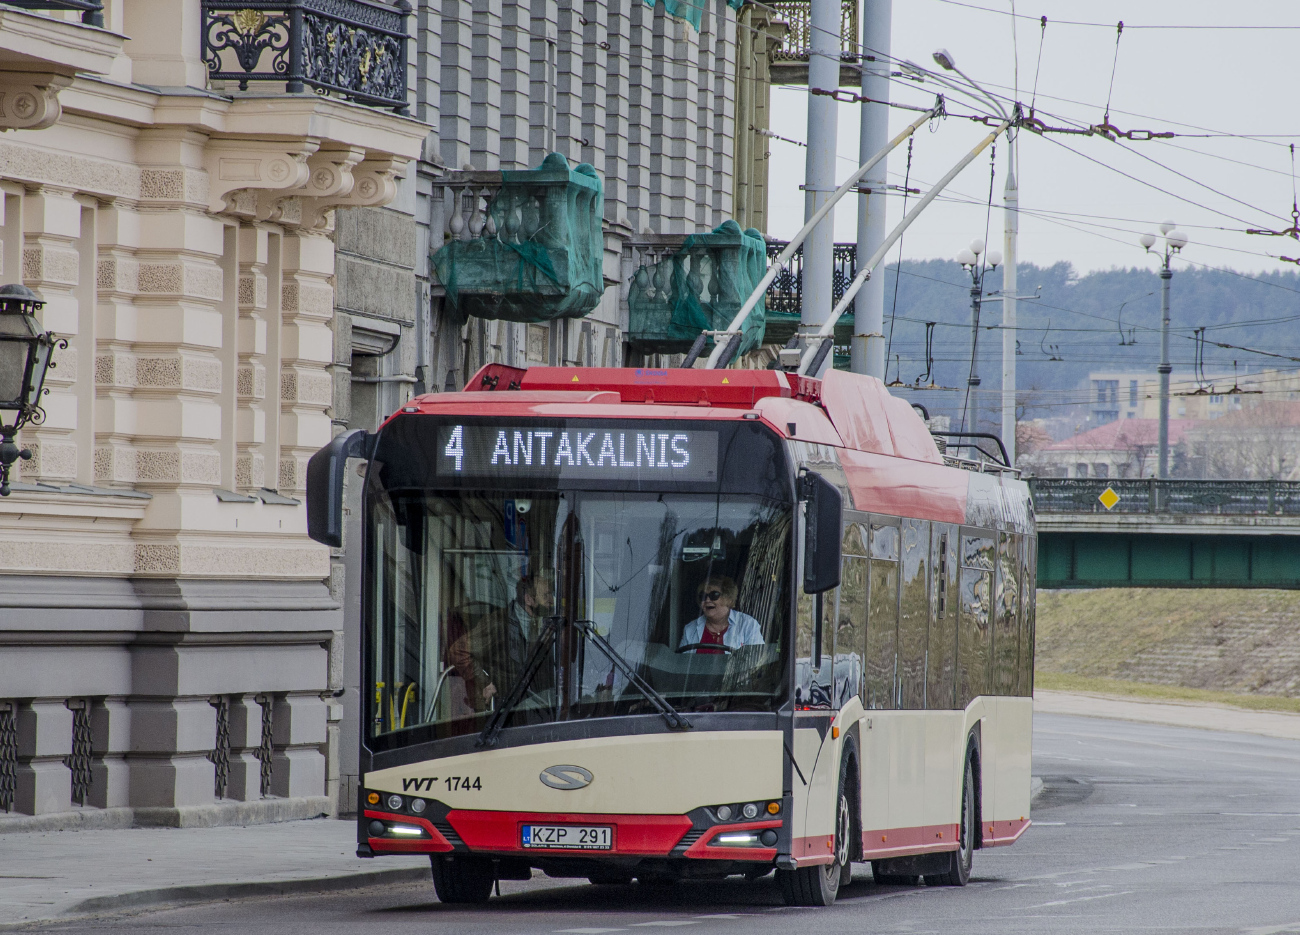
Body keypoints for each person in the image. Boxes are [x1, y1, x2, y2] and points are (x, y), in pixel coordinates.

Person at [448, 571, 554, 708]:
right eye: (546, 595)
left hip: (537, 705)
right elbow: (458, 651)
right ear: (528, 600)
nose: (551, 600)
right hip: (507, 709)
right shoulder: (498, 623)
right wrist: (484, 682)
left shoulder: (539, 623)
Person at [679, 575, 764, 654]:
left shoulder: (748, 625)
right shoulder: (690, 629)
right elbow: (681, 664)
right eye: (703, 596)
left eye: (714, 595)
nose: (707, 600)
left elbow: (756, 660)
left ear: (728, 598)